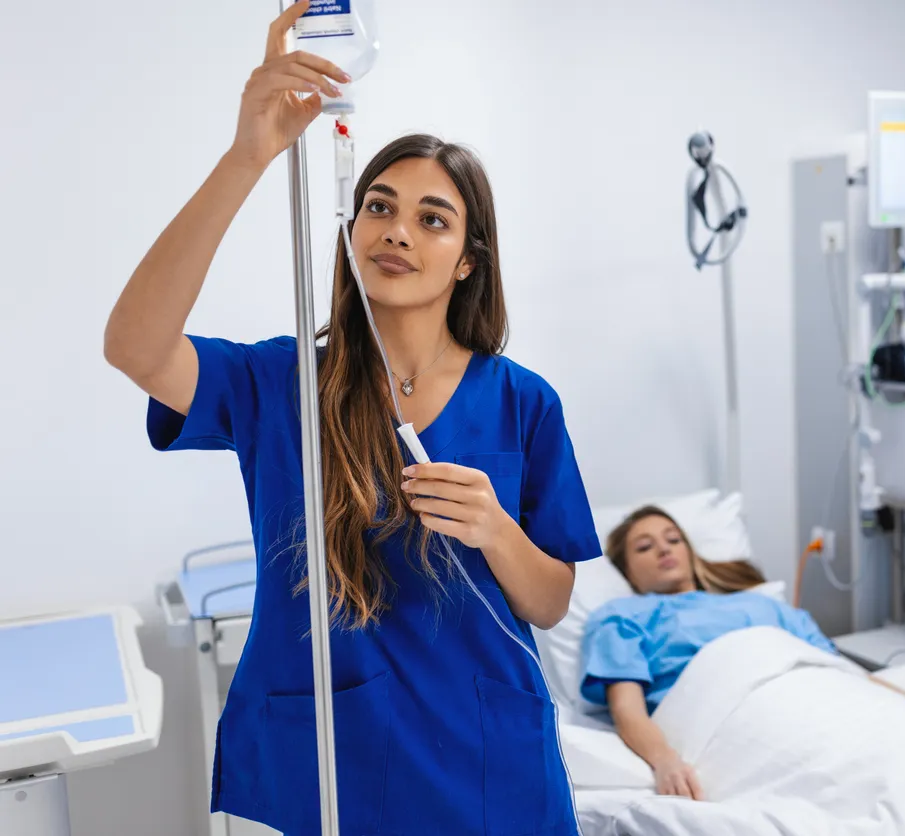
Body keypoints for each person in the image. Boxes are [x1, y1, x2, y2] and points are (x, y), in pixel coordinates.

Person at [103, 5, 600, 834]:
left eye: (432, 218)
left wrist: (495, 531)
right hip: (341, 769)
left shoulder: (523, 403)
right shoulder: (282, 382)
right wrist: (248, 154)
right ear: (351, 224)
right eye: (379, 206)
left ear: (468, 261)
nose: (398, 230)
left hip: (489, 772)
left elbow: (550, 602)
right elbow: (136, 346)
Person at [580, 505, 905, 801]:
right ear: (626, 570)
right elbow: (627, 709)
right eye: (644, 546)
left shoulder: (761, 605)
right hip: (737, 710)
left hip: (816, 691)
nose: (663, 548)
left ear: (690, 551)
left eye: (673, 538)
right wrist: (664, 761)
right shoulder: (622, 617)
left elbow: (841, 674)